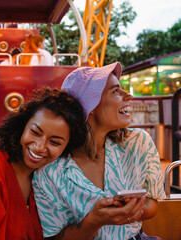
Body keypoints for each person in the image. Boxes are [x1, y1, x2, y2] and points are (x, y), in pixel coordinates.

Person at [33, 62, 166, 240]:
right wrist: (95, 220)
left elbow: (153, 203)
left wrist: (133, 210)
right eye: (115, 91)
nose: (129, 95)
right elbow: (54, 237)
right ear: (91, 106)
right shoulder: (49, 171)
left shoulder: (139, 143)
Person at [0, 88, 87, 240]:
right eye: (35, 132)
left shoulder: (44, 178)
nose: (40, 147)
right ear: (23, 127)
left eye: (54, 142)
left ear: (66, 148)